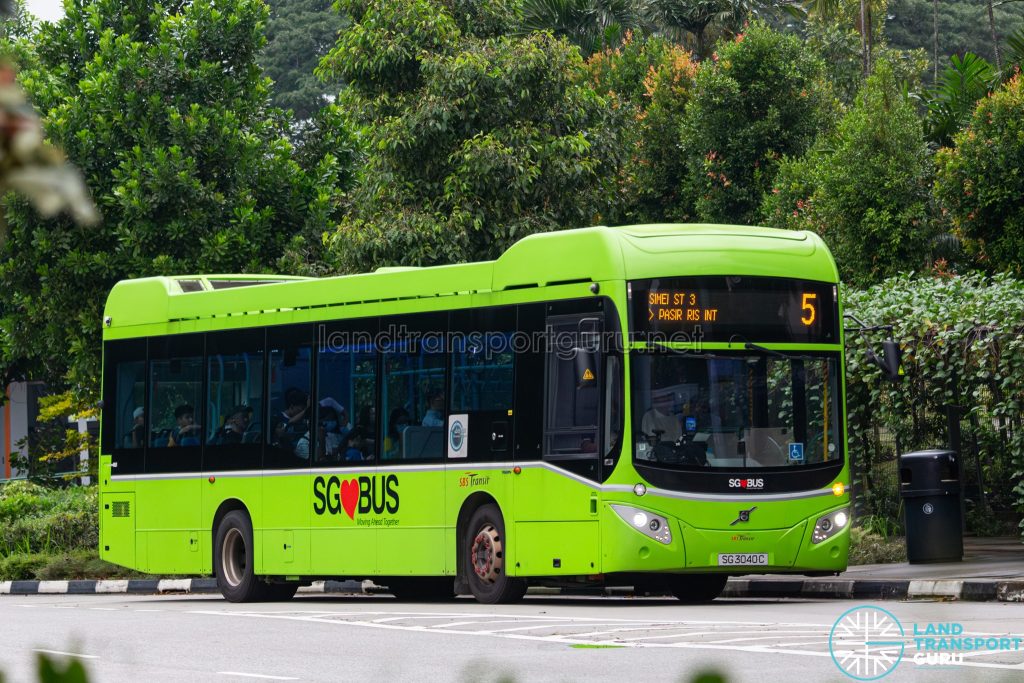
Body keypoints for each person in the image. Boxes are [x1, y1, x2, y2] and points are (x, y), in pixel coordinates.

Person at [273, 388, 310, 457]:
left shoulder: (304, 420)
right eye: (301, 409)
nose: (302, 413)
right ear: (292, 406)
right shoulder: (278, 418)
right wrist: (306, 410)